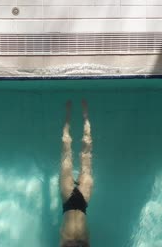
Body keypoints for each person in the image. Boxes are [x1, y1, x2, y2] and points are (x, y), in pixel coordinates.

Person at [59, 100, 93, 247]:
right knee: (86, 155)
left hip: (67, 201)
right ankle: (85, 117)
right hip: (83, 202)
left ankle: (67, 117)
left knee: (66, 150)